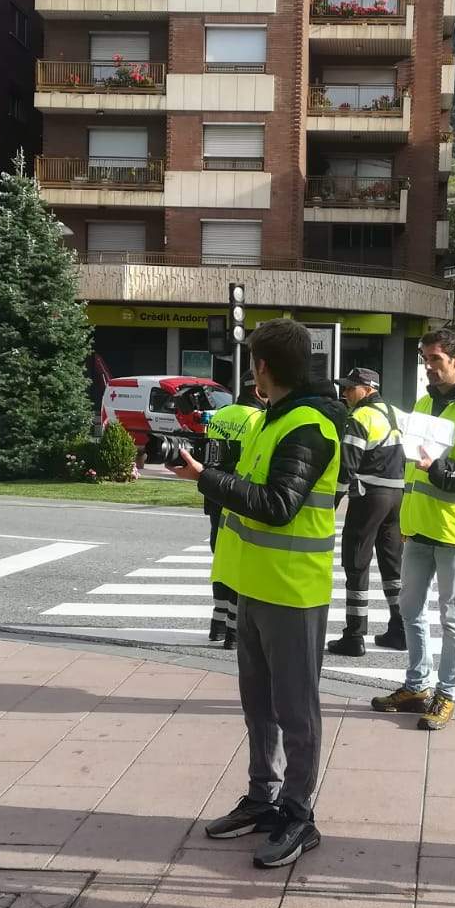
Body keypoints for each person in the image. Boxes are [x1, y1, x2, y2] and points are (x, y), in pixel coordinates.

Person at [173, 318, 344, 868]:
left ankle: (298, 813)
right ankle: (263, 797)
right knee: (259, 705)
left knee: (296, 710)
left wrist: (204, 478)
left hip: (292, 592)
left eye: (252, 363)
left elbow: (277, 505)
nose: (251, 373)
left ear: (263, 366)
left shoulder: (309, 425)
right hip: (255, 585)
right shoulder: (272, 418)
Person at [371, 328, 455, 731]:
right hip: (419, 526)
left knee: (452, 617)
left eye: (435, 359)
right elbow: (416, 464)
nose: (428, 366)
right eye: (425, 359)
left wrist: (440, 469)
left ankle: (447, 694)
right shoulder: (425, 402)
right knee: (409, 609)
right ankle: (416, 687)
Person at [328, 367, 406, 657]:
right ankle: (400, 629)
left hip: (368, 495)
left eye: (351, 388)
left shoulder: (361, 416)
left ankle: (354, 635)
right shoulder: (394, 413)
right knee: (392, 564)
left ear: (368, 389)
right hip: (396, 495)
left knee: (356, 562)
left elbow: (346, 466)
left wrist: (332, 502)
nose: (345, 393)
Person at [205, 383, 264, 648]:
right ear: (258, 391)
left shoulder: (221, 414)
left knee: (220, 559)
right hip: (239, 494)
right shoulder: (258, 419)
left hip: (214, 493)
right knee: (239, 563)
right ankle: (233, 630)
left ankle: (217, 624)